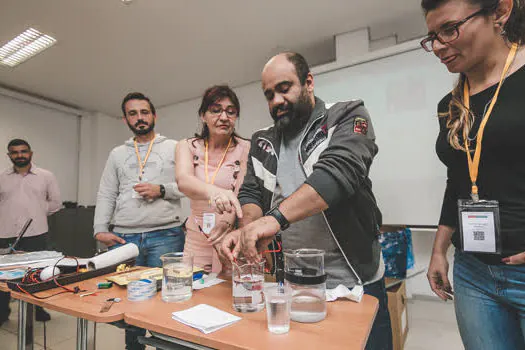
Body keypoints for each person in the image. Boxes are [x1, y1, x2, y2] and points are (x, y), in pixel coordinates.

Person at [220, 52, 392, 350]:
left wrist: (271, 221)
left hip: (355, 280)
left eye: (284, 88)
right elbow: (250, 193)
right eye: (269, 95)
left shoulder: (347, 115)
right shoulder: (262, 140)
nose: (276, 101)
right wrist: (248, 228)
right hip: (296, 284)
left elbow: (338, 174)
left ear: (308, 82)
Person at [422, 0, 525, 348]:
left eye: (449, 29)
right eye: (432, 36)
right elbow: (459, 180)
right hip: (473, 272)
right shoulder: (450, 105)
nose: (438, 46)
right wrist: (439, 250)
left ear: (500, 11)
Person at [94, 92, 185, 350]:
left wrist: (162, 189)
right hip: (125, 237)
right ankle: (133, 348)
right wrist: (99, 229)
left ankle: (162, 346)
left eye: (144, 112)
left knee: (165, 299)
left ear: (154, 115)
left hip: (165, 235)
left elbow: (189, 184)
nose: (140, 117)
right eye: (133, 113)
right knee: (129, 300)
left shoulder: (174, 147)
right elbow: (106, 192)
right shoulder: (116, 154)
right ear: (125, 120)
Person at [176, 85, 250, 274]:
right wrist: (218, 192)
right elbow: (184, 181)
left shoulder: (245, 147)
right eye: (216, 110)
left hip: (229, 234)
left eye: (231, 112)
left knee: (227, 294)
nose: (224, 117)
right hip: (196, 237)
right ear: (203, 115)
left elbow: (242, 192)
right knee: (193, 288)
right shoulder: (186, 146)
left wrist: (226, 223)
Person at [0, 139, 62, 324]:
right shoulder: (1, 177)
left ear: (31, 153)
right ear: (9, 155)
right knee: (4, 276)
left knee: (36, 274)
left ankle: (38, 309)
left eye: (23, 151)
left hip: (36, 233)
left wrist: (37, 211)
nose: (20, 155)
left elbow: (56, 203)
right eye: (15, 152)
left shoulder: (46, 176)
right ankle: (3, 312)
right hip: (6, 233)